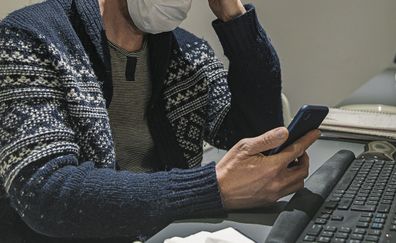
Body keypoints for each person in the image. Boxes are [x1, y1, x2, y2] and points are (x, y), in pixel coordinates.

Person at [0, 0, 320, 242]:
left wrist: (234, 17)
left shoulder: (186, 50)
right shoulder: (30, 37)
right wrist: (212, 188)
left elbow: (257, 136)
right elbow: (45, 194)